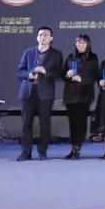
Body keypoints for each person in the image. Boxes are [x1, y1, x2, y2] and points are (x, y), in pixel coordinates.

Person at [15, 26, 64, 161]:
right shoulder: (28, 52)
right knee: (26, 124)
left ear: (51, 38)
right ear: (37, 37)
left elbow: (59, 74)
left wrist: (45, 72)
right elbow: (19, 72)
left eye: (46, 35)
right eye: (40, 35)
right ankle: (26, 152)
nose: (43, 37)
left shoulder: (56, 54)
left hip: (45, 94)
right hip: (27, 93)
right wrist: (29, 75)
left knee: (45, 124)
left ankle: (42, 151)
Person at [62, 34, 100, 160]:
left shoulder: (93, 58)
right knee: (72, 123)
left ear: (88, 44)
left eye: (83, 42)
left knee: (81, 122)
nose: (80, 45)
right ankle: (73, 148)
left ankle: (77, 148)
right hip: (70, 95)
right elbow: (62, 74)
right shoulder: (70, 57)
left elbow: (94, 75)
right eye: (78, 42)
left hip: (85, 94)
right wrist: (67, 75)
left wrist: (81, 79)